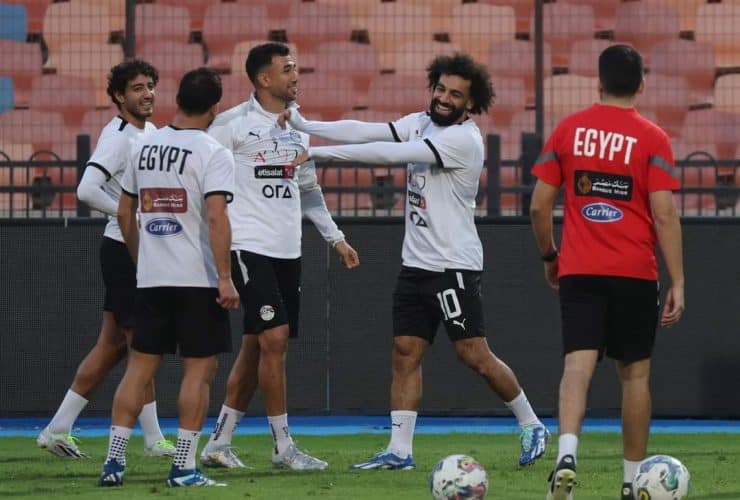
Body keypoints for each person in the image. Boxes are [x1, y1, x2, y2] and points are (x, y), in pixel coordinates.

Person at [281, 52, 549, 470]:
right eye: (441, 88)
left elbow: (389, 154)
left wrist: (319, 154)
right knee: (405, 351)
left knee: (474, 353)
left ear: (471, 102)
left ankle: (532, 424)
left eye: (455, 94)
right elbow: (366, 130)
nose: (444, 98)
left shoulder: (463, 140)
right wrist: (305, 125)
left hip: (452, 264)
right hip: (416, 264)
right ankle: (399, 451)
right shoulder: (422, 122)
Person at [529, 45, 685, 500]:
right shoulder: (653, 138)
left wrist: (550, 255)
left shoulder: (569, 131)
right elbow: (665, 214)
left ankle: (566, 456)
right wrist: (678, 280)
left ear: (598, 82)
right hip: (635, 272)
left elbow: (539, 205)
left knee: (576, 367)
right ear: (641, 85)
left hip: (580, 269)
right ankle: (632, 482)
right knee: (634, 377)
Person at [199, 42, 359, 471]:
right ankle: (283, 447)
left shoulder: (298, 128)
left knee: (257, 346)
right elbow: (201, 181)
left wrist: (336, 239)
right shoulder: (230, 125)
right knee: (275, 338)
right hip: (248, 245)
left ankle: (218, 444)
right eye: (287, 69)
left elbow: (308, 190)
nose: (295, 75)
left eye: (296, 68)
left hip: (288, 250)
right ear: (263, 79)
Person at [98, 67, 239, 487]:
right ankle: (183, 466)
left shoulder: (144, 145)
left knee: (139, 371)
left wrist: (141, 258)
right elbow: (217, 217)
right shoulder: (213, 152)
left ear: (177, 99)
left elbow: (125, 212)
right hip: (198, 281)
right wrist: (226, 277)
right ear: (215, 108)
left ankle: (113, 463)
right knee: (199, 371)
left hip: (152, 279)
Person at [37, 60, 175, 459]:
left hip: (134, 248)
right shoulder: (118, 137)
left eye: (150, 86)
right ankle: (153, 440)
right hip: (123, 250)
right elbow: (86, 189)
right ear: (118, 96)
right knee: (141, 346)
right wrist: (127, 214)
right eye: (137, 88)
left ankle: (57, 429)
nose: (147, 93)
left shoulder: (150, 132)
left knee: (112, 346)